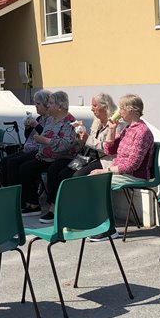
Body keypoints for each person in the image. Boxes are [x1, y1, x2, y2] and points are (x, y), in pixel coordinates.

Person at [40, 92, 124, 224]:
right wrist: (80, 133)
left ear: (105, 107)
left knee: (77, 176)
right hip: (88, 156)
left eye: (94, 106)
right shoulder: (97, 122)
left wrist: (86, 138)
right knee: (60, 172)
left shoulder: (116, 124)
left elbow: (110, 148)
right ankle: (57, 208)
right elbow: (87, 143)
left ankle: (79, 212)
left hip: (104, 160)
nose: (91, 108)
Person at [88, 94, 155, 241]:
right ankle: (100, 223)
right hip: (121, 171)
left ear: (132, 110)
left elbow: (132, 165)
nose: (120, 111)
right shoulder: (128, 129)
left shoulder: (142, 132)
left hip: (135, 174)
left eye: (122, 108)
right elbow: (109, 150)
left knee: (99, 182)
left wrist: (106, 170)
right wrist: (112, 129)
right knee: (91, 178)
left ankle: (109, 230)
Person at [2, 90, 79, 216]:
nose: (48, 105)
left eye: (51, 103)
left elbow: (65, 145)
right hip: (46, 156)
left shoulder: (70, 122)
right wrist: (41, 147)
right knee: (25, 168)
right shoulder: (50, 120)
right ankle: (33, 204)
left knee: (53, 171)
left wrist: (45, 141)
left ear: (60, 106)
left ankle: (53, 208)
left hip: (62, 157)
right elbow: (42, 136)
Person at [0, 88, 51, 199]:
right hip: (29, 148)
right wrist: (28, 127)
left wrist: (36, 125)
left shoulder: (50, 119)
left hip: (39, 150)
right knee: (4, 161)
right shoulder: (40, 118)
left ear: (46, 104)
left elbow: (46, 135)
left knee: (13, 163)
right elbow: (28, 137)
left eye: (38, 104)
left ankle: (19, 197)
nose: (36, 106)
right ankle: (9, 192)